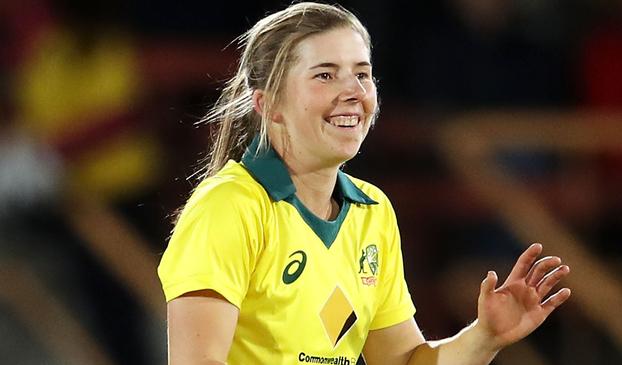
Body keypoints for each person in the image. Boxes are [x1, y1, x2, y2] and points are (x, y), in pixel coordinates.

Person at [157, 2, 571, 364]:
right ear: (269, 104)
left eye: (362, 74)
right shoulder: (229, 206)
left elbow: (404, 361)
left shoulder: (371, 210)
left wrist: (485, 337)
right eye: (325, 75)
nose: (353, 92)